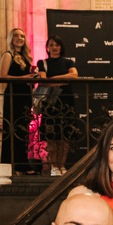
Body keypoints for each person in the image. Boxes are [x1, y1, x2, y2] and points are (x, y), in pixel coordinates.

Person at [36, 36, 78, 177]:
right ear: (47, 47)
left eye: (57, 44)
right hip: (50, 103)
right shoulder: (42, 63)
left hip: (67, 102)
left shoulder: (68, 62)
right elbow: (43, 81)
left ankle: (62, 165)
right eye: (51, 45)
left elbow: (74, 76)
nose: (54, 47)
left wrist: (53, 79)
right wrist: (63, 80)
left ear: (61, 47)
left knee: (65, 135)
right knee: (52, 136)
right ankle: (54, 166)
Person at [0, 27, 39, 173]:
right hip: (13, 95)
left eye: (22, 36)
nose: (19, 38)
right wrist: (24, 78)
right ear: (11, 39)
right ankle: (10, 165)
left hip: (25, 95)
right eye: (16, 36)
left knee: (23, 131)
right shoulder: (8, 55)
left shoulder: (26, 57)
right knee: (12, 129)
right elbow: (3, 77)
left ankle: (22, 164)